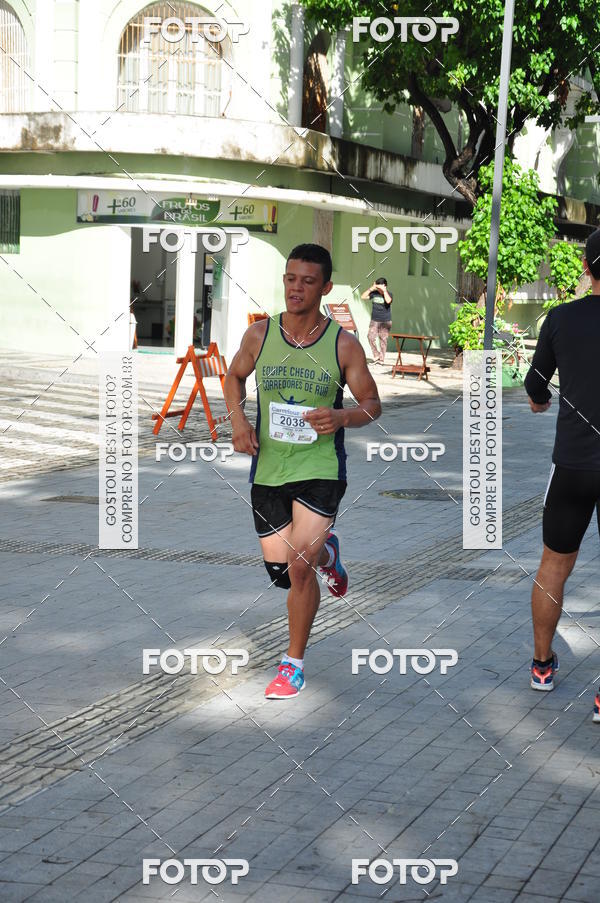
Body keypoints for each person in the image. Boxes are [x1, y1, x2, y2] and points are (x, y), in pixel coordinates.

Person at [224, 243, 382, 699]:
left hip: (321, 467)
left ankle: (292, 665)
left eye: (308, 281)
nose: (296, 288)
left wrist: (342, 417)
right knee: (281, 572)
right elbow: (233, 377)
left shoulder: (343, 344)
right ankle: (328, 555)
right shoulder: (260, 336)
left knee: (298, 568)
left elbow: (372, 404)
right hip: (270, 466)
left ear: (325, 288)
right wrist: (238, 422)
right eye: (291, 279)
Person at [524, 227, 600, 723]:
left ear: (587, 268)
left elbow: (535, 383)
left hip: (572, 465)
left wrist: (543, 399)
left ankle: (542, 665)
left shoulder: (561, 318)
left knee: (554, 564)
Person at [361, 277, 393, 365]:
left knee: (383, 340)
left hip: (385, 321)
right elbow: (363, 296)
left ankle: (381, 359)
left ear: (384, 285)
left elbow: (388, 301)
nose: (378, 289)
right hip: (374, 320)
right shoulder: (374, 294)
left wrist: (384, 291)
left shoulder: (389, 294)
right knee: (370, 337)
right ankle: (376, 355)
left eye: (379, 286)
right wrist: (371, 288)